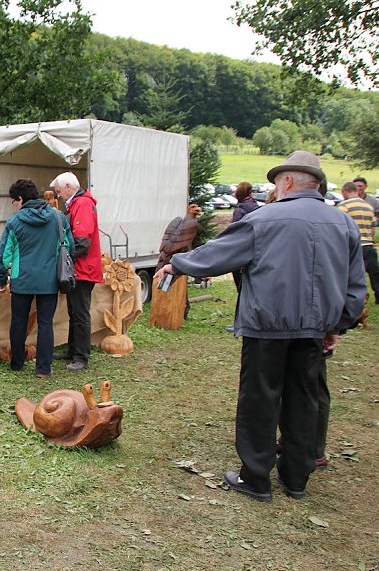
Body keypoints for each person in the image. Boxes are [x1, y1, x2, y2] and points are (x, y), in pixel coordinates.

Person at [154, 151, 365, 502]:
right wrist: (337, 325)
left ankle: (255, 478)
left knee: (259, 399)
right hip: (314, 329)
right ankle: (297, 479)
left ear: (286, 182)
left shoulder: (265, 219)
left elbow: (219, 252)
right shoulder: (342, 223)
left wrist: (176, 265)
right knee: (303, 399)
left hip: (268, 326)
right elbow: (354, 285)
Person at [0, 179, 74, 378]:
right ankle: (43, 369)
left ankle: (17, 363)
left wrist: (1, 279)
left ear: (20, 199)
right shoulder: (58, 217)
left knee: (18, 321)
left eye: (14, 201)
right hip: (50, 281)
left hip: (21, 280)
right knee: (46, 323)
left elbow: (3, 255)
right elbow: (70, 247)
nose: (15, 204)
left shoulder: (14, 221)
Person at [50, 172, 103, 371]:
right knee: (74, 311)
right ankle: (73, 351)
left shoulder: (82, 204)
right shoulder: (77, 204)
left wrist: (64, 259)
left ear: (69, 187)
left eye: (59, 191)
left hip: (83, 269)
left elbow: (82, 241)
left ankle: (81, 357)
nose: (59, 196)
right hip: (78, 269)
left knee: (80, 313)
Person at [225, 182, 260, 332]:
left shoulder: (240, 210)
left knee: (242, 290)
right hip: (256, 253)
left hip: (240, 255)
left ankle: (241, 322)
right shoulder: (257, 208)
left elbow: (234, 233)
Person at [340, 181, 379, 304]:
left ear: (344, 192)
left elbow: (341, 227)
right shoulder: (368, 207)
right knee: (374, 274)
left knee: (350, 276)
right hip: (368, 245)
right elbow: (372, 230)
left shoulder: (344, 206)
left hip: (353, 246)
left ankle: (350, 300)